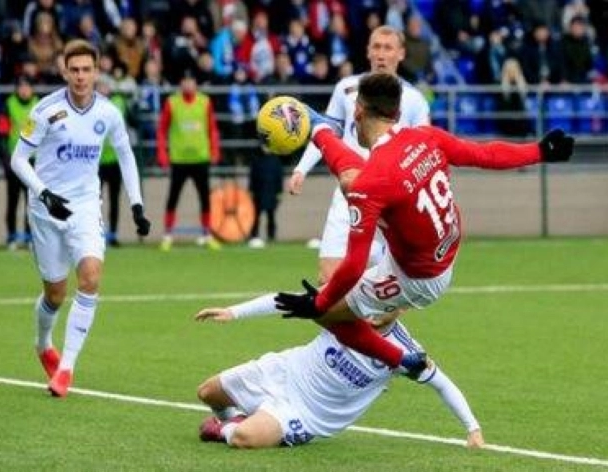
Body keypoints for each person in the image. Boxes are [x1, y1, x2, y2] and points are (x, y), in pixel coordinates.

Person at [194, 72, 574, 381]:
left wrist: (319, 303)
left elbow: (355, 263)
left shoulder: (373, 182)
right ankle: (320, 128)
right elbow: (484, 153)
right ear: (397, 111)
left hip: (417, 277)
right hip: (439, 251)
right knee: (353, 192)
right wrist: (539, 150)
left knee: (330, 313)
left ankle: (402, 360)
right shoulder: (425, 137)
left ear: (357, 110)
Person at [9, 39, 151, 398]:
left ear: (97, 71)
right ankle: (43, 344)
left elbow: (126, 156)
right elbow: (17, 160)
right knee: (55, 294)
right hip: (45, 209)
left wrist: (136, 204)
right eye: (74, 70)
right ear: (63, 71)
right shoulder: (45, 111)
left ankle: (66, 369)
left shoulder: (108, 113)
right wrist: (44, 193)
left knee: (89, 277)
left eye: (87, 69)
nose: (80, 76)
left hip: (86, 206)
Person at [194, 311, 485, 449]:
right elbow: (287, 302)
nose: (376, 308)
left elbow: (443, 384)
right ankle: (233, 418)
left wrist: (473, 428)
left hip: (305, 414)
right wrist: (234, 312)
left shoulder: (406, 353)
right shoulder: (346, 311)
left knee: (244, 439)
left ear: (403, 307)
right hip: (283, 372)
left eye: (387, 304)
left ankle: (225, 429)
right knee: (207, 392)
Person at [287, 25, 431, 285]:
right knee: (327, 278)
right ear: (367, 51)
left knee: (390, 287)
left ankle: (383, 326)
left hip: (391, 200)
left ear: (400, 54)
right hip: (349, 191)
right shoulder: (346, 88)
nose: (381, 54)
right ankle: (337, 325)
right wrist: (301, 169)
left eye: (388, 48)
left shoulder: (414, 99)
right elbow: (325, 132)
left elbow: (426, 150)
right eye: (376, 47)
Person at [156, 71, 222, 251]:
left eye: (191, 81)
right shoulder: (172, 102)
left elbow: (212, 128)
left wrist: (215, 150)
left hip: (201, 158)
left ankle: (207, 235)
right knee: (173, 198)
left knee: (204, 199)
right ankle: (168, 235)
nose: (188, 84)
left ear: (195, 83)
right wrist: (162, 153)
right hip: (179, 159)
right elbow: (161, 129)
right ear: (180, 84)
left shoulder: (205, 102)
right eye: (184, 81)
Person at [0, 76, 39, 250]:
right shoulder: (9, 104)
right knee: (13, 201)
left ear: (31, 89)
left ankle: (31, 237)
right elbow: (1, 131)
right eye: (21, 87)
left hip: (33, 161)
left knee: (32, 202)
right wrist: (6, 159)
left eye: (27, 86)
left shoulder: (38, 105)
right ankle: (12, 237)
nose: (24, 90)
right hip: (14, 162)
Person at [97, 76, 131, 247]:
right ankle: (95, 233)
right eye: (100, 86)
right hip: (96, 161)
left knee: (114, 199)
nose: (103, 89)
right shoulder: (91, 103)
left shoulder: (119, 101)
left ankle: (113, 234)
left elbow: (130, 120)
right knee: (94, 200)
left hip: (115, 160)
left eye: (105, 86)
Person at [246, 150, 282, 249]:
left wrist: (279, 192)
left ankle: (271, 236)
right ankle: (254, 236)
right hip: (258, 193)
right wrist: (251, 190)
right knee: (256, 216)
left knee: (271, 216)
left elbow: (279, 177)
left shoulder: (275, 161)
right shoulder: (256, 160)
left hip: (271, 193)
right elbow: (252, 176)